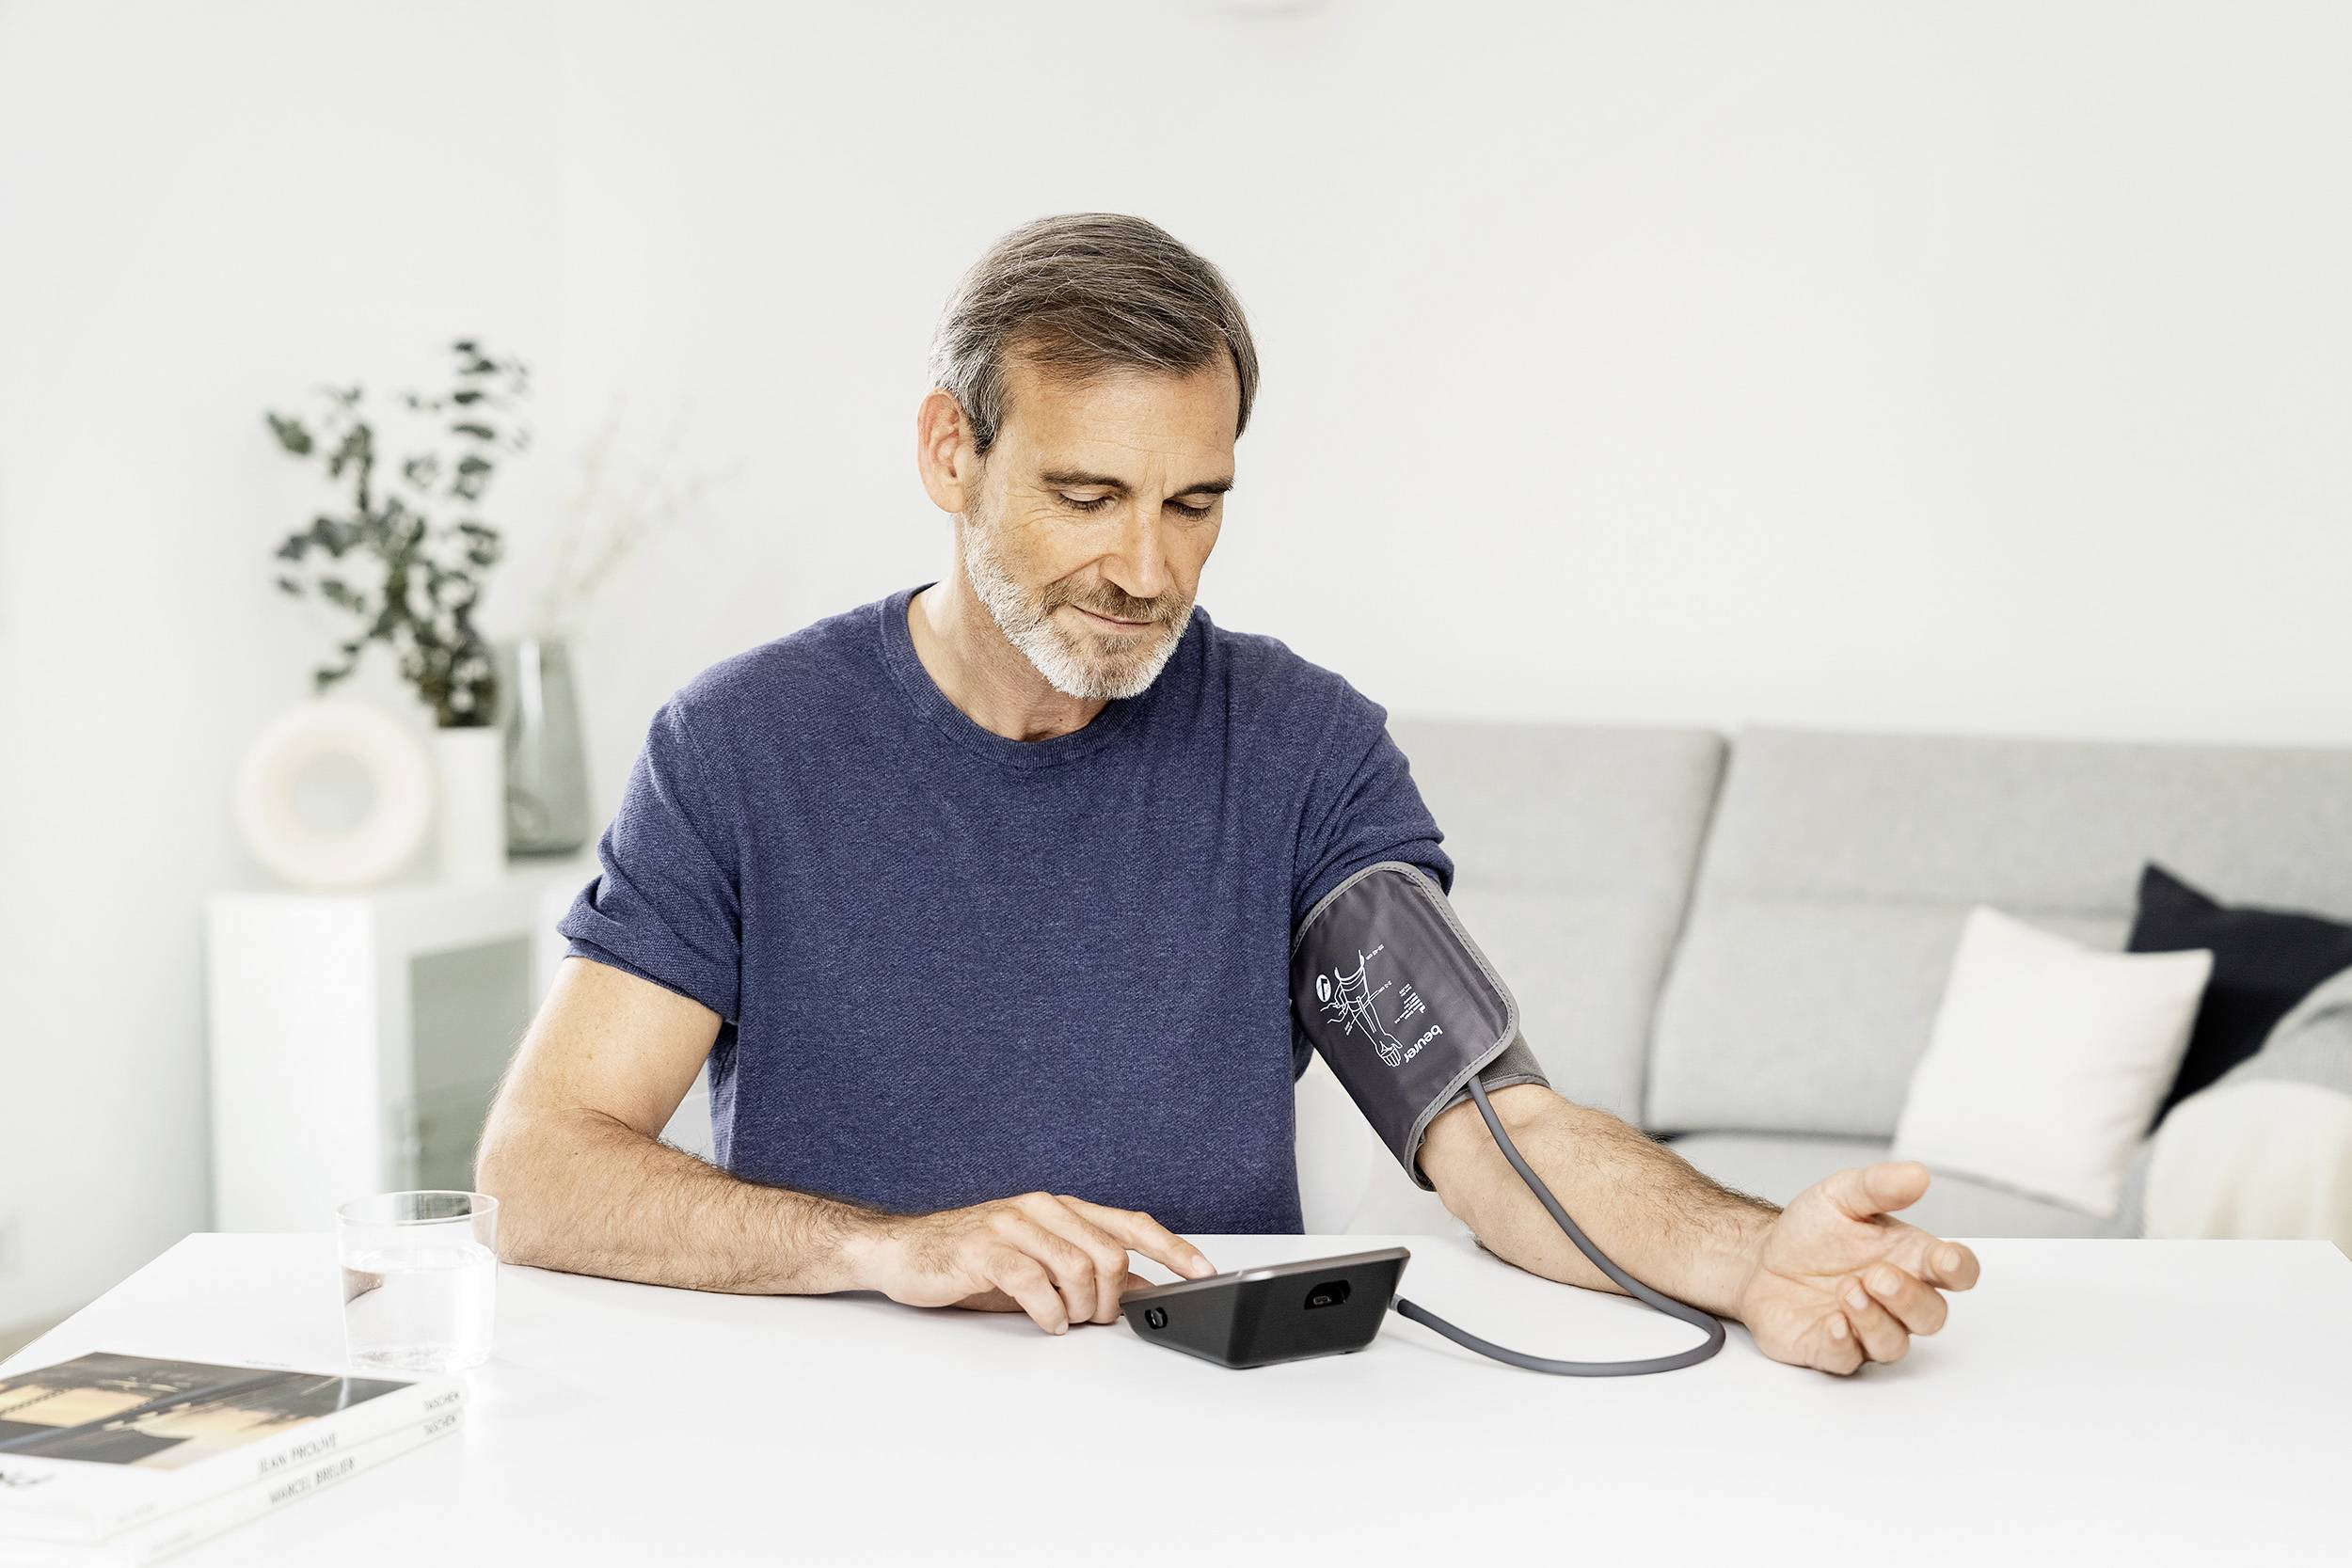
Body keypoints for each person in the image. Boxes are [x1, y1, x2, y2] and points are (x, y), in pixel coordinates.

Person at [475, 213, 1979, 1374]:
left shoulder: (1301, 748)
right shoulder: (742, 746)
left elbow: (1495, 1131)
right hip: (838, 1419)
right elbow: (538, 1172)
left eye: (1195, 505)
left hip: (1212, 1422)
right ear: (951, 453)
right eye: (1087, 496)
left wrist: (1751, 1255)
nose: (1147, 569)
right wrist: (887, 1250)